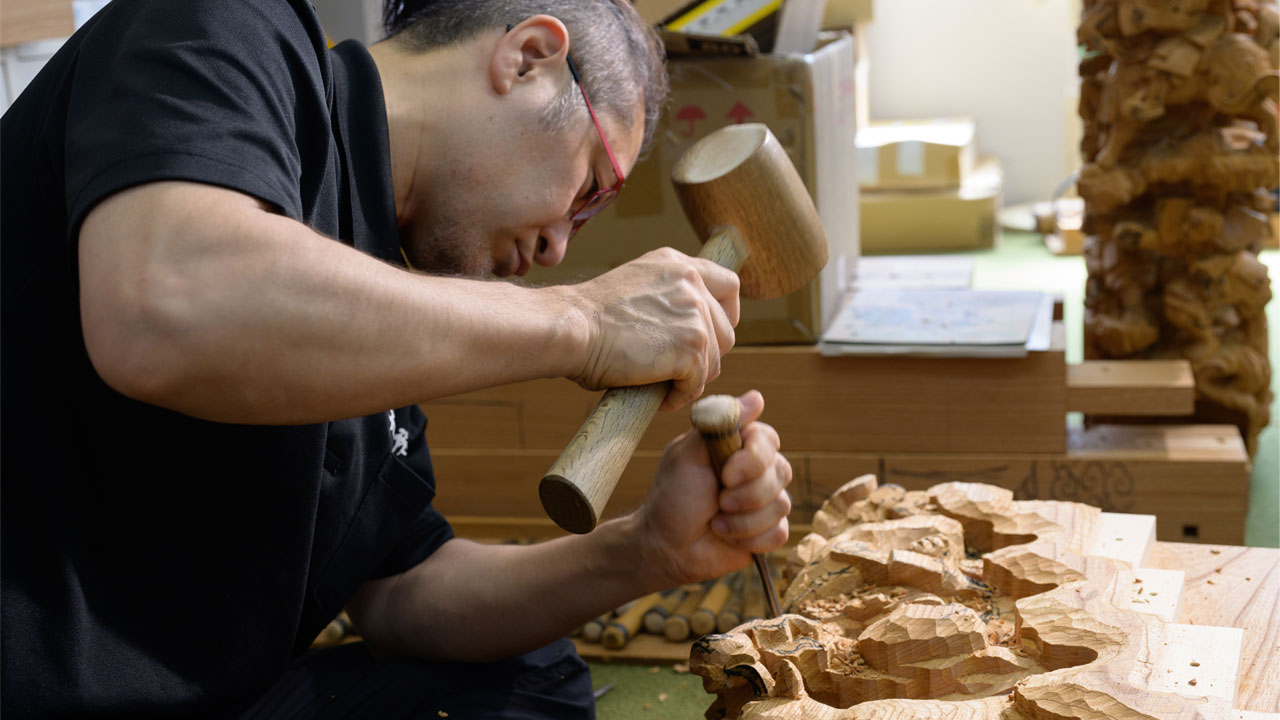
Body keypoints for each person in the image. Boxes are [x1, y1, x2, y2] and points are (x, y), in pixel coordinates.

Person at [0, 0, 793, 717]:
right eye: (589, 188)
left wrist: (641, 548)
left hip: (219, 696)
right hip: (37, 686)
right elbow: (165, 306)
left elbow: (403, 594)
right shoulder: (225, 27)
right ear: (528, 58)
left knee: (526, 678)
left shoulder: (375, 299)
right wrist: (582, 320)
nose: (556, 246)